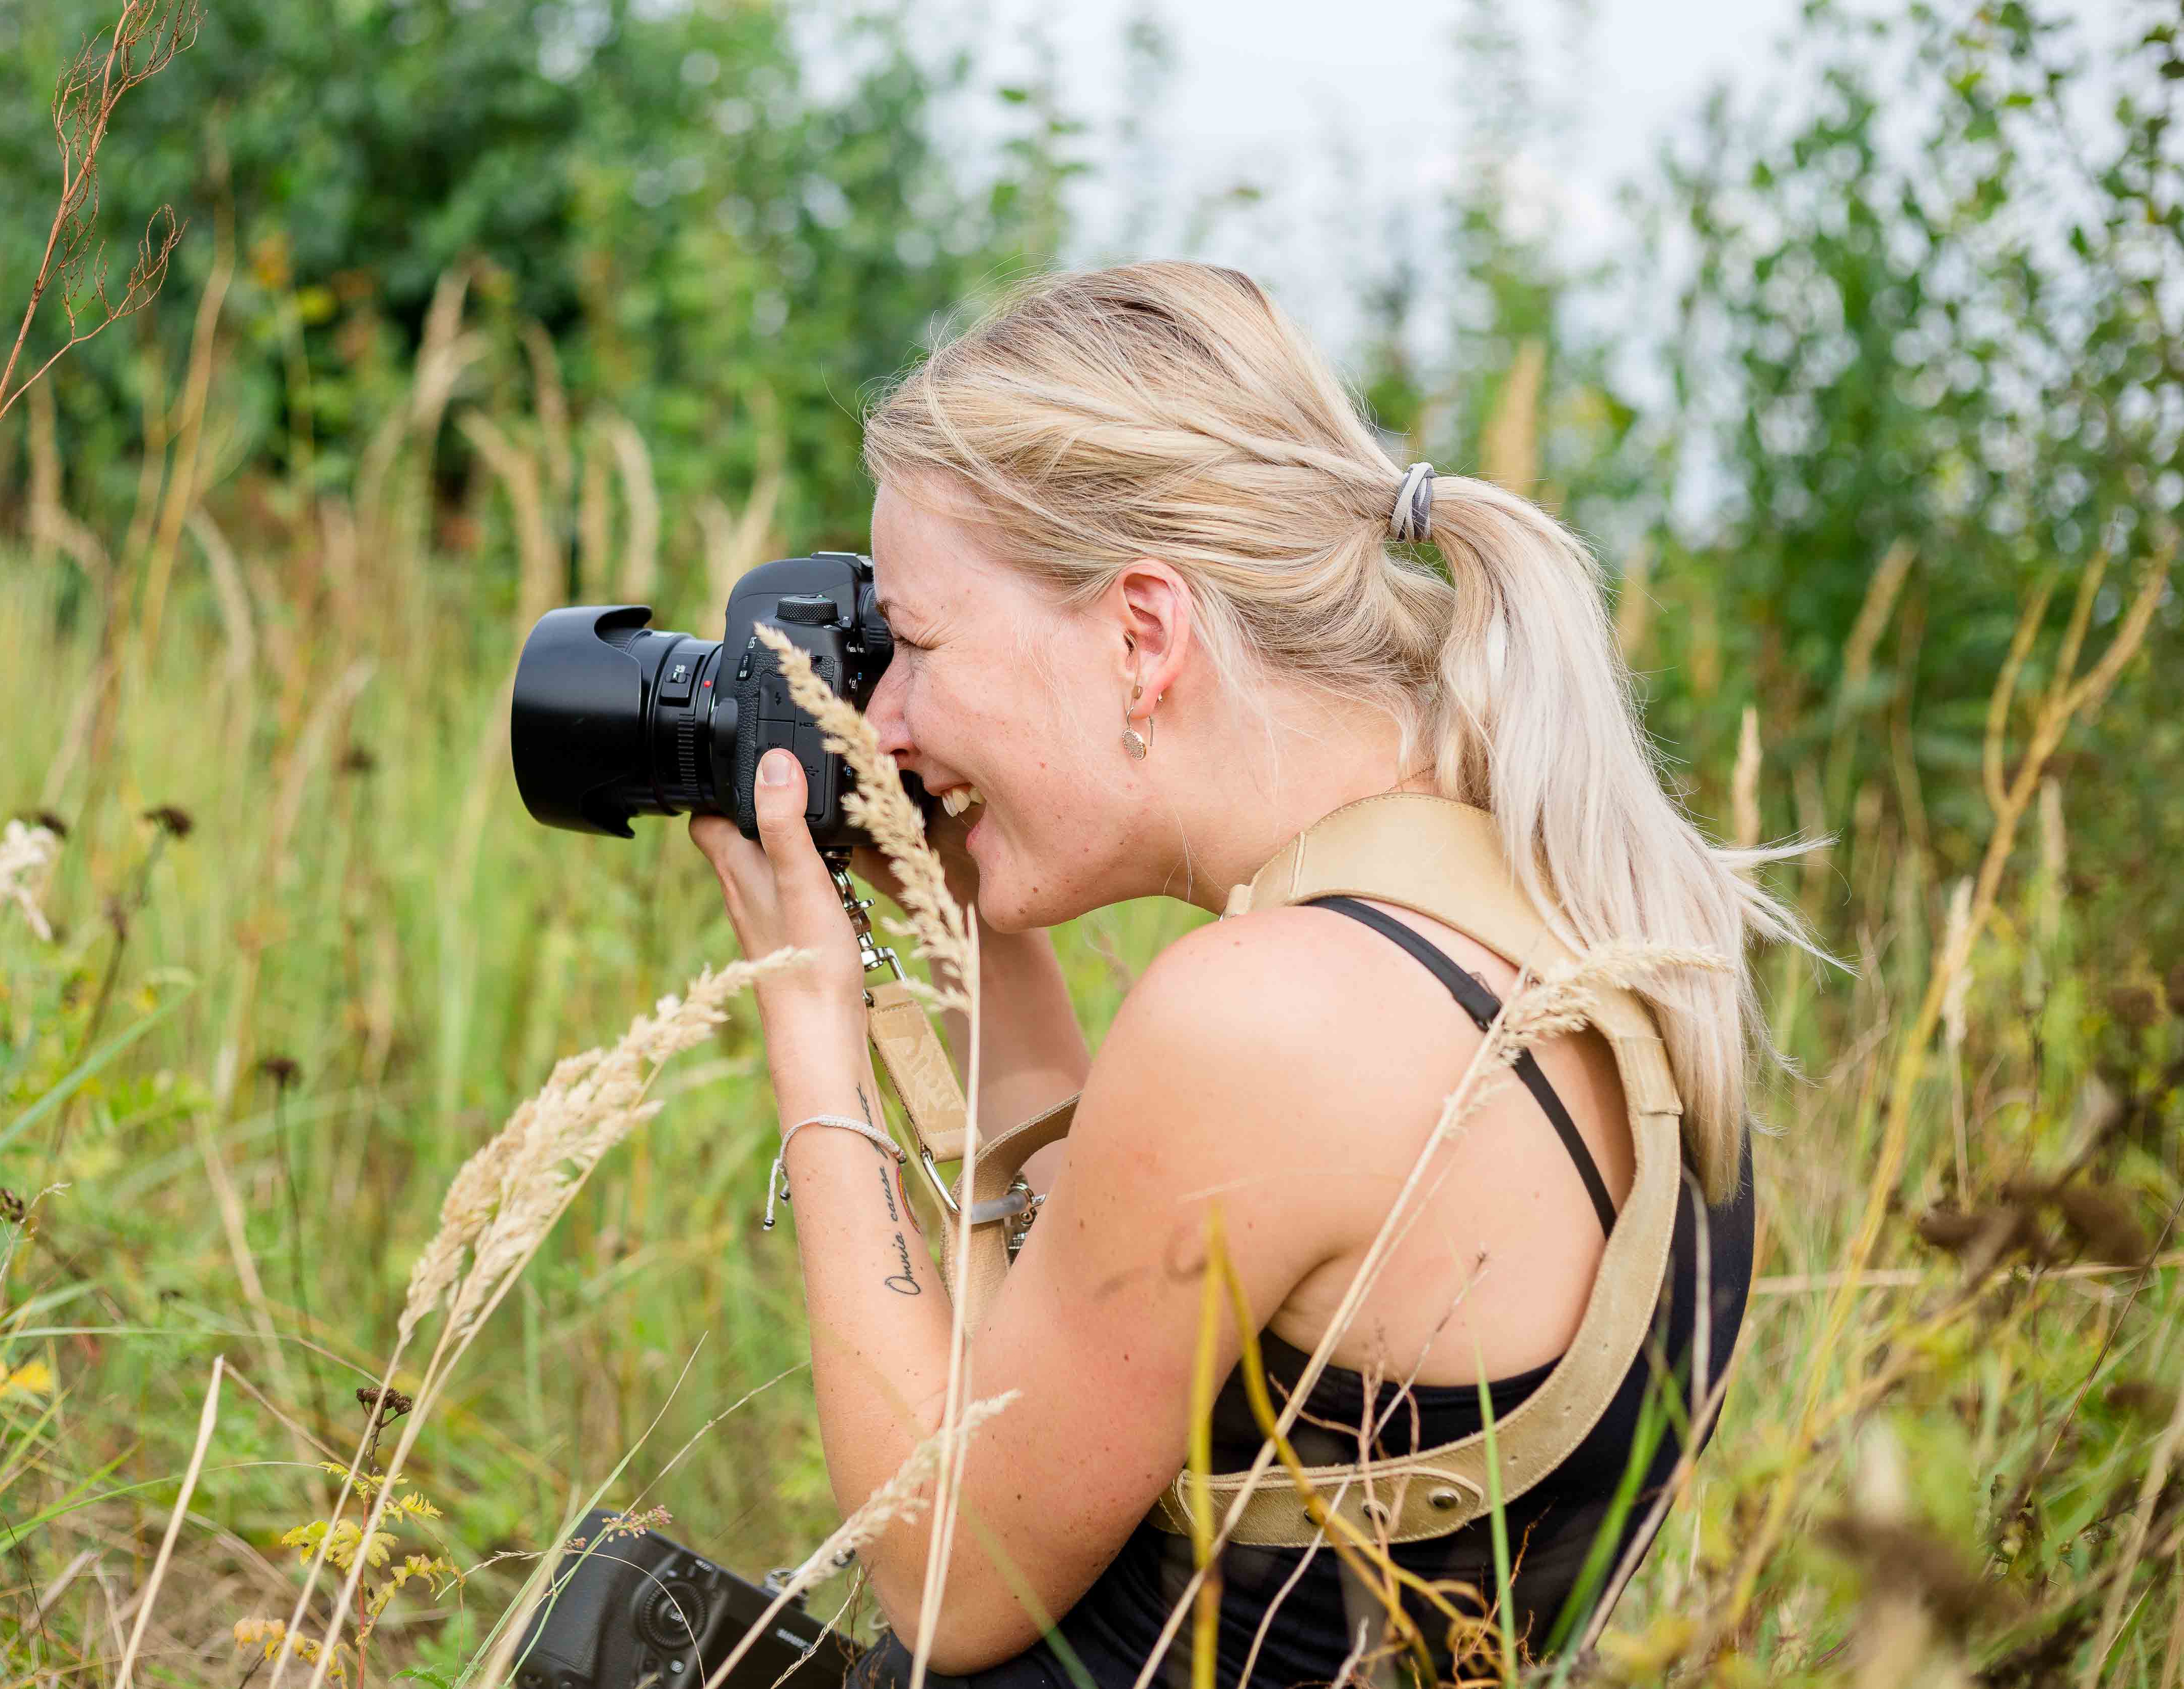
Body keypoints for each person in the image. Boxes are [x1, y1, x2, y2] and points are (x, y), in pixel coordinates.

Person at [688, 262, 1802, 1687]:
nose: (884, 720)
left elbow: (947, 1572)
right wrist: (986, 943)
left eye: (912, 642)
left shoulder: (1272, 1017)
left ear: (1143, 636)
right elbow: (1073, 1377)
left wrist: (814, 1026)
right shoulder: (1572, 930)